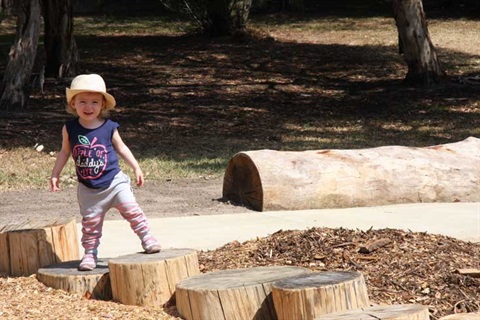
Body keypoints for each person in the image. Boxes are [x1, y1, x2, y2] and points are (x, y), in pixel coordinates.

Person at [50, 74, 161, 271]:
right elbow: (65, 151)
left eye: (94, 102)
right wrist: (55, 174)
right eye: (82, 101)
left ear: (103, 105)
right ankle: (90, 254)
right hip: (89, 189)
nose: (88, 106)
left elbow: (122, 148)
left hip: (115, 183)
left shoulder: (109, 127)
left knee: (132, 210)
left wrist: (136, 167)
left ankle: (147, 238)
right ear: (73, 103)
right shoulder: (70, 128)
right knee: (91, 225)